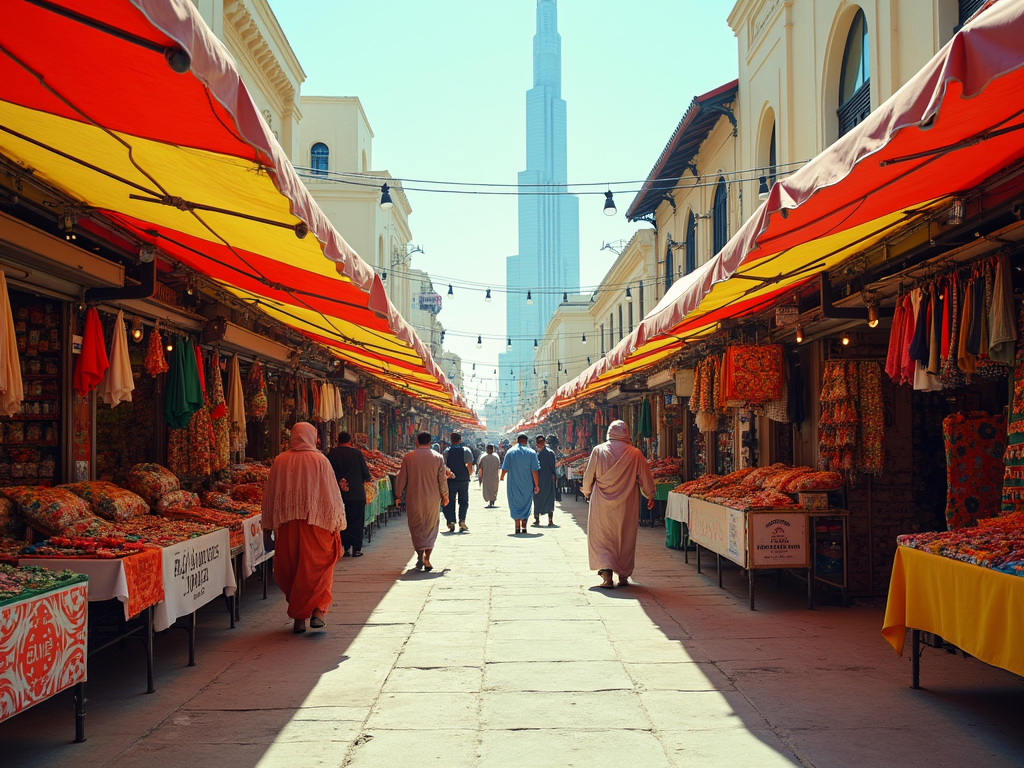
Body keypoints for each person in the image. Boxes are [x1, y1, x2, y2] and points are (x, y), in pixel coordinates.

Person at [262, 422, 346, 634]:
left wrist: (266, 530)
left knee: (292, 569)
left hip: (288, 525)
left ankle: (299, 618)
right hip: (317, 525)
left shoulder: (280, 461)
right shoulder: (320, 460)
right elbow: (332, 495)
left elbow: (269, 497)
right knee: (319, 568)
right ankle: (317, 611)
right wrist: (336, 524)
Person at [582, 420, 656, 589]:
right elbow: (645, 476)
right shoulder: (635, 453)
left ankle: (607, 576)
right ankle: (623, 574)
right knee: (625, 536)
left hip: (601, 503)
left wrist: (587, 492)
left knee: (602, 536)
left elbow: (588, 475)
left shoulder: (598, 451)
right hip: (627, 504)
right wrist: (650, 495)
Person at [394, 432, 449, 571]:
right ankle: (427, 558)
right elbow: (442, 479)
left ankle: (420, 555)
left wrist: (398, 495)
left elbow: (402, 478)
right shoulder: (438, 457)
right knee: (431, 525)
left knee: (416, 525)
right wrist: (445, 495)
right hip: (432, 498)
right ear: (430, 441)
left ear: (417, 441)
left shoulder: (409, 457)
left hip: (414, 497)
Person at [327, 431, 372, 558]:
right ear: (350, 441)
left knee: (342, 520)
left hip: (338, 495)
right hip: (357, 493)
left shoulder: (332, 454)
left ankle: (344, 547)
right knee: (357, 521)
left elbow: (328, 473)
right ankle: (356, 548)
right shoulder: (357, 453)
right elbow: (365, 473)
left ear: (337, 440)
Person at [500, 433, 540, 534]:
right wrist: (536, 485)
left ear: (517, 441)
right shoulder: (532, 453)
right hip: (527, 484)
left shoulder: (510, 452)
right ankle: (524, 526)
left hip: (513, 484)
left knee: (514, 503)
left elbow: (504, 468)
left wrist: (501, 477)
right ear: (526, 441)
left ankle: (517, 526)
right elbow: (534, 470)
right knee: (526, 503)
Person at [442, 432, 475, 532]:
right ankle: (462, 521)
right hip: (463, 480)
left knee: (449, 501)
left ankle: (451, 521)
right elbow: (470, 466)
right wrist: (467, 475)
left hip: (451, 481)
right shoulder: (466, 450)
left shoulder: (447, 451)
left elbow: (444, 466)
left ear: (451, 440)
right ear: (460, 440)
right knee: (463, 501)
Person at [533, 434, 557, 527]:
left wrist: (554, 476)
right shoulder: (535, 453)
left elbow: (552, 467)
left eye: (541, 442)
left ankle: (550, 520)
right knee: (538, 498)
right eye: (539, 442)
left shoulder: (548, 453)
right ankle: (537, 518)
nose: (540, 444)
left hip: (546, 479)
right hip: (538, 479)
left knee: (548, 498)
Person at [478, 444, 501, 508]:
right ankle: (492, 500)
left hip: (487, 476)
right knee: (493, 489)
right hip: (493, 476)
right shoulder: (495, 457)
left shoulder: (483, 457)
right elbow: (498, 467)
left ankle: (491, 501)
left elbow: (480, 467)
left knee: (489, 489)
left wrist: (480, 477)